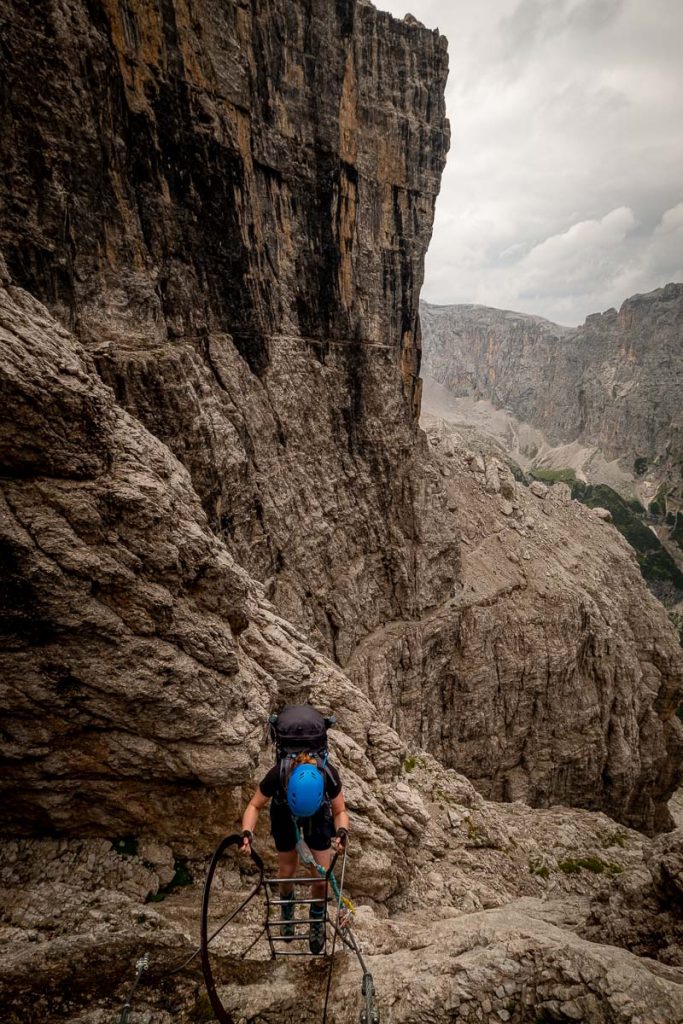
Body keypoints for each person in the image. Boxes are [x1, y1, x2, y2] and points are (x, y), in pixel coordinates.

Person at [239, 715, 350, 954]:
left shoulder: (327, 773)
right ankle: (287, 909)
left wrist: (341, 832)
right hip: (283, 810)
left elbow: (340, 810)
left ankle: (316, 918)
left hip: (317, 815)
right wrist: (247, 833)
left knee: (320, 878)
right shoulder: (278, 774)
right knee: (287, 870)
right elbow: (254, 805)